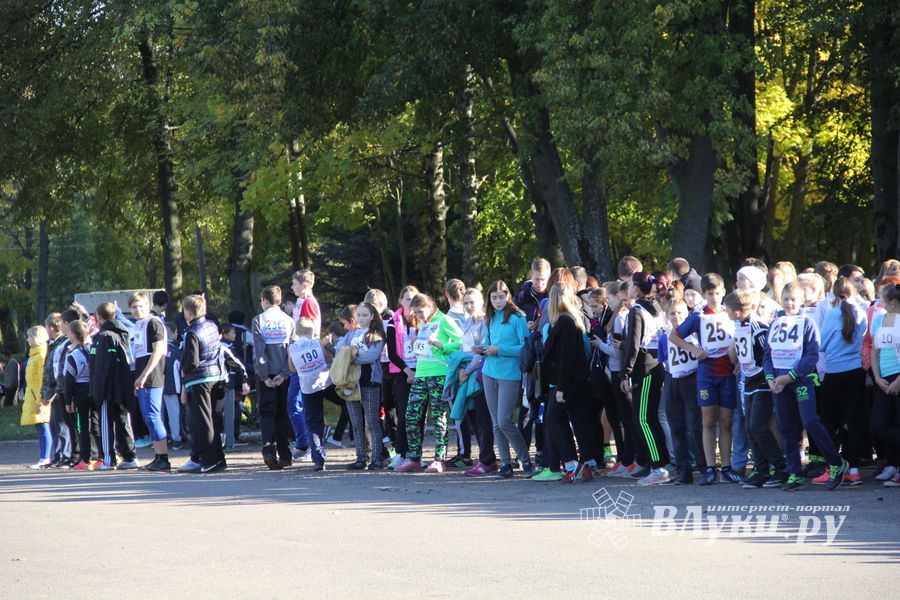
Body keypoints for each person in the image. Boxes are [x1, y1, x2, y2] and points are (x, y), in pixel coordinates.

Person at [765, 282, 848, 491]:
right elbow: (767, 354)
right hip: (779, 383)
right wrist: (770, 378)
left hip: (800, 380)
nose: (790, 303)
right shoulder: (775, 323)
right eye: (786, 299)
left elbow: (812, 355)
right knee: (786, 428)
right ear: (780, 301)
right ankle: (795, 473)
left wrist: (791, 376)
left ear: (801, 300)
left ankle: (837, 462)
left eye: (793, 299)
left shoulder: (807, 323)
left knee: (810, 421)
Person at [670, 273, 741, 485]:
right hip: (707, 374)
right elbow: (675, 336)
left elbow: (742, 338)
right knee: (708, 421)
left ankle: (726, 466)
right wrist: (693, 349)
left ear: (723, 292)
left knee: (727, 422)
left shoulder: (731, 313)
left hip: (728, 373)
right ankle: (710, 468)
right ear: (704, 294)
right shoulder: (698, 315)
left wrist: (739, 361)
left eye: (717, 293)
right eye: (710, 294)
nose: (714, 298)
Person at [724, 290, 787, 489]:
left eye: (726, 309)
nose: (724, 311)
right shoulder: (739, 325)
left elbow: (768, 354)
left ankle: (780, 467)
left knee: (758, 426)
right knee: (750, 429)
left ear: (735, 312)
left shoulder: (758, 327)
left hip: (762, 381)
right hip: (748, 380)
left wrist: (770, 377)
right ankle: (760, 470)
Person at [395, 294, 463, 473]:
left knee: (439, 416)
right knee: (411, 415)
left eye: (421, 310)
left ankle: (439, 459)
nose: (419, 315)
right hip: (421, 374)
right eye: (415, 312)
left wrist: (443, 346)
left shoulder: (444, 320)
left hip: (439, 374)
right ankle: (414, 458)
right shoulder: (422, 323)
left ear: (430, 305)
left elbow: (462, 342)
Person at [474, 281, 534, 479]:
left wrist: (500, 350)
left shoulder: (518, 317)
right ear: (489, 300)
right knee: (496, 423)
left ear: (508, 296)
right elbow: (490, 343)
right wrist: (482, 348)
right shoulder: (489, 318)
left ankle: (525, 461)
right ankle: (505, 464)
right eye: (494, 297)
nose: (498, 301)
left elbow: (525, 348)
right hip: (490, 372)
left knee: (504, 420)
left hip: (510, 374)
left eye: (501, 297)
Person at [816, 276, 868, 486]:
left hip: (834, 373)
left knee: (830, 422)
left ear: (833, 294)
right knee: (853, 421)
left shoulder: (832, 314)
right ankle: (853, 469)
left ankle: (833, 467)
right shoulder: (860, 313)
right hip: (855, 372)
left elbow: (821, 345)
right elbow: (861, 338)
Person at [620, 273, 671, 485]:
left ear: (638, 288)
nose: (629, 287)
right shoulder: (657, 307)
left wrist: (626, 372)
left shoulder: (637, 311)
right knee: (649, 418)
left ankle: (659, 467)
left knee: (642, 419)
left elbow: (633, 344)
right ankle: (662, 463)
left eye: (631, 284)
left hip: (645, 367)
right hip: (657, 365)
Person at [543, 283, 597, 482]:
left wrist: (561, 387)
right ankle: (588, 462)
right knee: (579, 420)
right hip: (577, 381)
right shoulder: (573, 320)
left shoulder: (564, 322)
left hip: (567, 381)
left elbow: (567, 358)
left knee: (553, 419)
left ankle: (571, 463)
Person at [334, 302, 387, 470]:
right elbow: (339, 350)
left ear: (372, 316)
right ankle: (360, 458)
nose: (362, 318)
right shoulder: (351, 335)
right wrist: (347, 355)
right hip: (351, 382)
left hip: (369, 381)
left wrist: (350, 358)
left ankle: (376, 458)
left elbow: (371, 356)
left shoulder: (376, 334)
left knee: (372, 421)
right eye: (359, 315)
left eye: (365, 315)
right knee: (356, 423)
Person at [179, 294, 227, 473]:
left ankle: (210, 460)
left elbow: (193, 361)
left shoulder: (192, 332)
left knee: (204, 422)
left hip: (200, 379)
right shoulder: (212, 325)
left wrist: (183, 371)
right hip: (215, 375)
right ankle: (218, 458)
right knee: (212, 420)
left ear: (189, 312)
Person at [658, 298, 705, 485]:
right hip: (673, 380)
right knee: (676, 426)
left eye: (680, 313)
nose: (676, 317)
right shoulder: (664, 337)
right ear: (667, 316)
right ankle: (683, 469)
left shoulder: (695, 335)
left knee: (695, 425)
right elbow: (664, 360)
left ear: (687, 314)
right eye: (672, 314)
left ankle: (704, 466)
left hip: (692, 379)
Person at [90, 302, 139, 471]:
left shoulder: (104, 338)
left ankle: (109, 459)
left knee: (107, 422)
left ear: (99, 317)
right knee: (123, 420)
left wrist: (97, 391)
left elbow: (102, 368)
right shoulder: (122, 334)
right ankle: (130, 456)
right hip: (122, 386)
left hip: (108, 389)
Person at [289, 318, 342, 471]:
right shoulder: (317, 342)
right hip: (325, 383)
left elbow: (292, 368)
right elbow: (328, 359)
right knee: (347, 404)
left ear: (297, 332)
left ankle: (318, 459)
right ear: (312, 331)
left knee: (313, 422)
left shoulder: (292, 347)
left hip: (307, 388)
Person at [252, 286, 296, 470]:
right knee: (282, 414)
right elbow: (292, 350)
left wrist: (264, 376)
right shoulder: (289, 321)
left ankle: (269, 450)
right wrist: (285, 373)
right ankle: (285, 454)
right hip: (284, 375)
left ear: (264, 300)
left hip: (267, 374)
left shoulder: (258, 320)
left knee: (267, 413)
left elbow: (259, 350)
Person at [457, 288, 498, 476]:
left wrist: (467, 370)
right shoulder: (467, 321)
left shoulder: (485, 322)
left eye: (472, 302)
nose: (469, 306)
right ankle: (484, 457)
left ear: (481, 302)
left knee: (483, 418)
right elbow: (464, 347)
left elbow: (480, 352)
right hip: (467, 374)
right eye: (466, 303)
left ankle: (488, 459)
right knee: (472, 416)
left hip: (480, 374)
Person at [128, 293, 171, 472]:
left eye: (141, 306)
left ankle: (164, 458)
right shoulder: (138, 325)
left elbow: (158, 350)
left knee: (153, 416)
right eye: (134, 307)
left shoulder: (154, 323)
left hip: (153, 376)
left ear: (148, 305)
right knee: (148, 417)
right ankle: (157, 456)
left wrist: (144, 375)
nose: (138, 311)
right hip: (141, 375)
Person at [868, 282, 900, 488]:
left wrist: (899, 381)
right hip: (884, 378)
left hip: (898, 378)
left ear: (892, 302)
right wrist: (878, 377)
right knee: (878, 424)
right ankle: (893, 463)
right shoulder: (880, 320)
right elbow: (874, 351)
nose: (878, 302)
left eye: (882, 298)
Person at [385, 285, 420, 469]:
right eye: (407, 299)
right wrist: (408, 371)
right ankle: (401, 452)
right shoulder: (393, 322)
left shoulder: (423, 321)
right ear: (400, 301)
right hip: (403, 373)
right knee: (404, 413)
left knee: (419, 415)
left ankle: (417, 454)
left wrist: (418, 371)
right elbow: (392, 353)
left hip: (422, 371)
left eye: (414, 299)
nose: (411, 302)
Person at [66, 320, 103, 471]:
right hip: (94, 389)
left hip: (80, 391)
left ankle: (85, 458)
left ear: (73, 335)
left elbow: (69, 380)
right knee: (96, 423)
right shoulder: (92, 350)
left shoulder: (73, 355)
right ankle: (102, 456)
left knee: (82, 426)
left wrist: (68, 401)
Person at [42, 313, 74, 467]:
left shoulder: (64, 343)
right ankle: (58, 454)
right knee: (55, 425)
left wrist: (55, 391)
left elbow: (60, 369)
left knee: (62, 425)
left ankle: (65, 454)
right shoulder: (53, 343)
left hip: (59, 389)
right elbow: (49, 369)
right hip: (53, 388)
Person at [21, 326, 51, 469]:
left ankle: (45, 457)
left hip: (39, 396)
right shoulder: (34, 354)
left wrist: (41, 400)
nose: (27, 339)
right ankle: (43, 456)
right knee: (40, 427)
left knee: (44, 425)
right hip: (33, 395)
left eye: (29, 336)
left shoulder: (41, 356)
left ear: (36, 337)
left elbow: (42, 380)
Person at [162, 321, 184, 450]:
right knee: (173, 414)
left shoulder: (154, 348)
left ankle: (160, 439)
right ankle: (176, 439)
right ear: (174, 333)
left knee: (158, 415)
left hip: (156, 386)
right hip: (172, 386)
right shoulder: (177, 350)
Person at [515, 258, 550, 332]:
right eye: (537, 279)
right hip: (526, 340)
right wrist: (524, 326)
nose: (540, 284)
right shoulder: (520, 298)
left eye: (543, 280)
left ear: (549, 277)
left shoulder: (554, 297)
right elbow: (511, 322)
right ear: (531, 276)